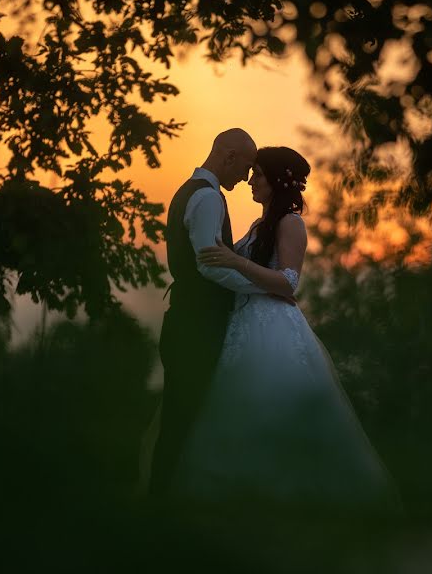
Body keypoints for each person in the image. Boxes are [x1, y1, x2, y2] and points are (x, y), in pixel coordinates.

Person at [168, 146, 402, 514]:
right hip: (243, 323)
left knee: (271, 400)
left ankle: (291, 495)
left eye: (257, 174)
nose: (250, 181)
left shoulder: (290, 223)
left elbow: (288, 281)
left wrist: (233, 260)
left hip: (273, 326)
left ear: (276, 181)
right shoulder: (260, 225)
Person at [147, 129, 292, 496]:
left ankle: (168, 494)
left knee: (186, 414)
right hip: (195, 325)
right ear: (228, 157)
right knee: (183, 416)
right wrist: (266, 287)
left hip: (189, 320)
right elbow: (209, 266)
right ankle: (160, 497)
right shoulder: (209, 198)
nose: (245, 178)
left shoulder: (190, 192)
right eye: (246, 167)